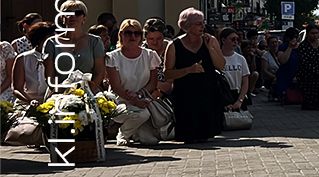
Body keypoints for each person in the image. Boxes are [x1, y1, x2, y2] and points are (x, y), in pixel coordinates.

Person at [163, 8, 225, 143]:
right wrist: (188, 70)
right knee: (189, 137)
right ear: (186, 25)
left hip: (208, 94)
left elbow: (221, 65)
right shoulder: (174, 45)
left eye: (203, 23)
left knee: (206, 136)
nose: (203, 26)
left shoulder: (211, 40)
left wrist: (210, 49)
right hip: (185, 97)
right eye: (198, 23)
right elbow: (167, 73)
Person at [102, 19, 160, 145]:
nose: (133, 36)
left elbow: (152, 83)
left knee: (149, 141)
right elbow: (116, 87)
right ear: (121, 35)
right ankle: (123, 134)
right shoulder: (113, 57)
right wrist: (134, 100)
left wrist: (139, 96)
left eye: (137, 33)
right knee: (142, 115)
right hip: (120, 101)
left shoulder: (150, 55)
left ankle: (135, 131)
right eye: (128, 33)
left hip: (143, 99)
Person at [43, 0, 106, 93]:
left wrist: (86, 92)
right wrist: (63, 93)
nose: (72, 16)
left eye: (78, 13)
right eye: (68, 13)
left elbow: (99, 73)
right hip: (58, 94)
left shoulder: (95, 42)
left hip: (89, 93)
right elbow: (49, 77)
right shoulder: (51, 43)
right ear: (62, 17)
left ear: (84, 18)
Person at [12, 22, 56, 103]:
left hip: (52, 101)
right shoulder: (23, 58)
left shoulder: (58, 57)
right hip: (27, 100)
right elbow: (17, 89)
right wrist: (30, 101)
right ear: (38, 40)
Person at [218, 29, 252, 113]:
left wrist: (240, 100)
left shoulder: (240, 59)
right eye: (232, 39)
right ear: (223, 40)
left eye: (237, 39)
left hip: (237, 94)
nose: (235, 42)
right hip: (221, 95)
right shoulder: (216, 58)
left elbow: (245, 81)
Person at [273, 28, 301, 102]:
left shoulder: (301, 47)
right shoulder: (283, 47)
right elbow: (282, 61)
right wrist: (290, 47)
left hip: (298, 74)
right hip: (285, 75)